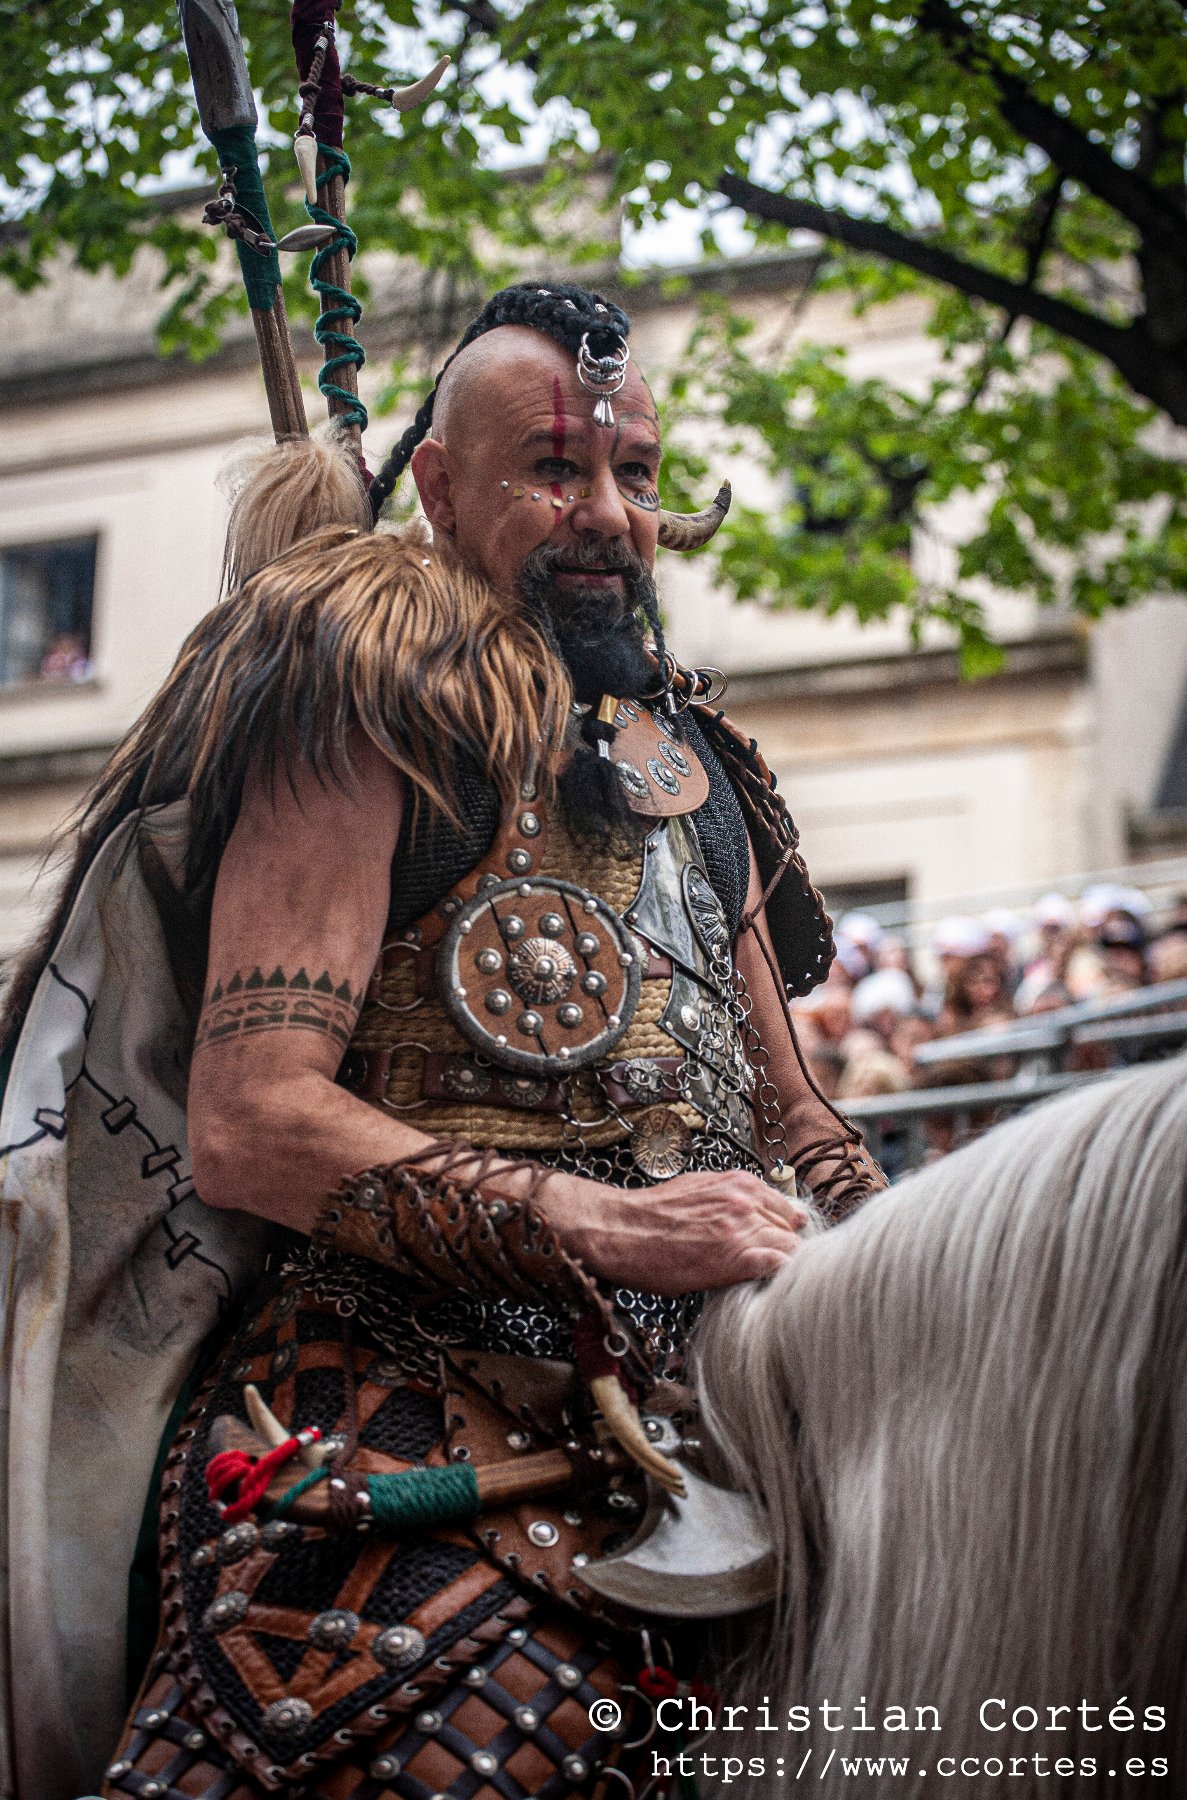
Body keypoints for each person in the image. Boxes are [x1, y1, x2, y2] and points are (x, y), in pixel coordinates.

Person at [0, 282, 884, 1799]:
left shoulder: (700, 768)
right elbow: (256, 1116)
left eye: (639, 475)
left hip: (709, 1415)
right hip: (378, 1402)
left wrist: (907, 1263)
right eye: (555, 469)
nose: (608, 513)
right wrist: (609, 1223)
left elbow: (797, 1122)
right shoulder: (371, 695)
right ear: (437, 486)